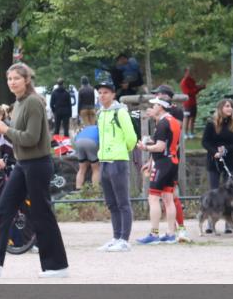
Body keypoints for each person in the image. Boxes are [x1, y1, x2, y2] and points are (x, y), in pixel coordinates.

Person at [0, 63, 69, 278]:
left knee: (42, 214)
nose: (12, 82)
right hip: (22, 164)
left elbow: (30, 138)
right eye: (9, 79)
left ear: (26, 80)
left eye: (16, 78)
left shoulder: (33, 103)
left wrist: (6, 129)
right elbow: (17, 136)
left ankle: (57, 266)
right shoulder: (19, 103)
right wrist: (3, 134)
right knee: (3, 209)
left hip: (37, 164)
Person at [136, 97, 189, 245]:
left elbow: (160, 147)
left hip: (162, 163)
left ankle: (154, 234)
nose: (152, 107)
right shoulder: (173, 121)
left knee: (153, 198)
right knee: (168, 198)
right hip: (172, 161)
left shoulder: (162, 123)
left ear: (161, 107)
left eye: (155, 105)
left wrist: (145, 147)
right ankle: (171, 233)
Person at [96, 79, 137, 252]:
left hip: (118, 160)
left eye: (105, 92)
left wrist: (122, 150)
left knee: (122, 202)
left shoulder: (120, 112)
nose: (102, 95)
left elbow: (131, 138)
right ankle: (116, 236)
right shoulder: (101, 113)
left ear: (113, 94)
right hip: (104, 160)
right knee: (111, 202)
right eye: (100, 92)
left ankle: (124, 239)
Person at [201, 99, 233, 192]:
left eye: (231, 107)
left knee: (229, 190)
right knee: (214, 190)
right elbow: (205, 142)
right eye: (227, 106)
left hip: (229, 160)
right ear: (220, 108)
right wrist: (215, 152)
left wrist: (226, 149)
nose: (230, 109)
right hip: (214, 161)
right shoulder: (211, 124)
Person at [73, 110, 100, 190]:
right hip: (90, 142)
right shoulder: (98, 128)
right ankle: (96, 190)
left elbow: (75, 139)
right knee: (95, 168)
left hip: (78, 142)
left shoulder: (84, 129)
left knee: (82, 169)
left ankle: (78, 189)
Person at [179, 68, 205, 140]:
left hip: (193, 102)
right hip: (187, 103)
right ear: (185, 73)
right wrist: (198, 89)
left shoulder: (191, 80)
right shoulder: (183, 82)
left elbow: (194, 89)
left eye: (190, 72)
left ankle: (191, 133)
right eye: (188, 72)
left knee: (193, 118)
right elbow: (188, 92)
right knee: (186, 118)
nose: (190, 73)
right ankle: (185, 133)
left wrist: (200, 87)